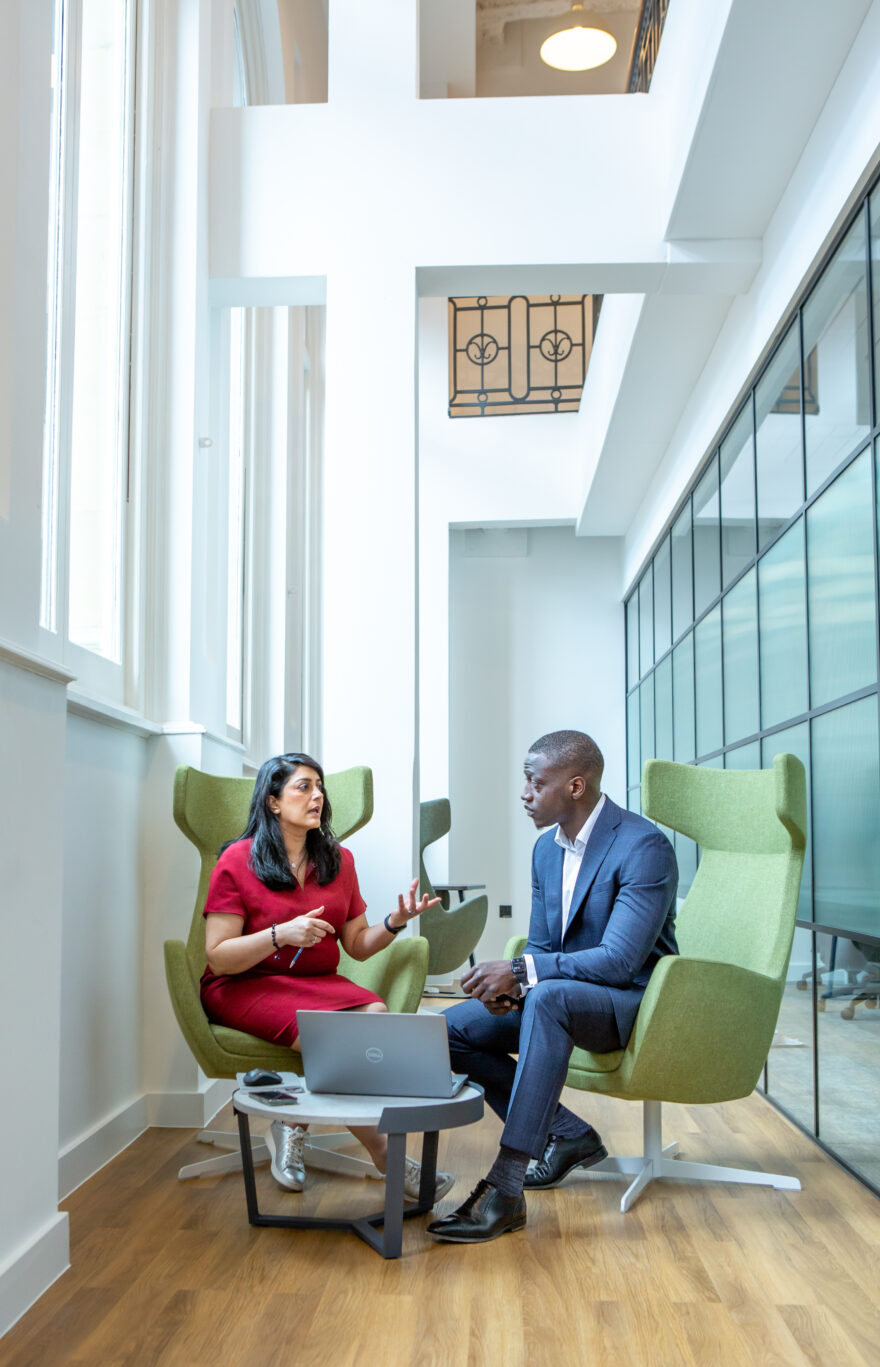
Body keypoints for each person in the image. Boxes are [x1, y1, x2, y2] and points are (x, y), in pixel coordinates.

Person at [428, 730, 678, 1244]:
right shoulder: (547, 850)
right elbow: (543, 945)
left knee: (547, 995)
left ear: (576, 785)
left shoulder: (643, 846)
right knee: (443, 1032)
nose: (525, 794)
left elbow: (619, 961)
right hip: (559, 996)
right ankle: (567, 1135)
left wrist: (522, 975)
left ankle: (505, 1187)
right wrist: (512, 985)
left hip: (627, 1003)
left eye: (535, 783)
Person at [201, 751, 454, 1203]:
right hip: (245, 982)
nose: (317, 795)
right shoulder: (236, 860)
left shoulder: (339, 860)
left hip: (316, 983)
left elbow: (356, 943)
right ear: (273, 802)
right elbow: (219, 957)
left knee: (374, 1012)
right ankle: (388, 1159)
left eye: (320, 787)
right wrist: (280, 935)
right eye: (303, 787)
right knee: (337, 1039)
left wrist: (394, 922)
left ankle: (292, 1125)